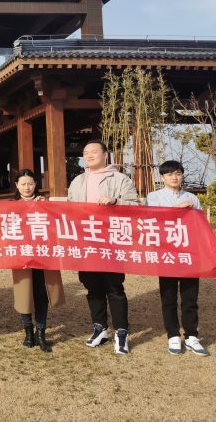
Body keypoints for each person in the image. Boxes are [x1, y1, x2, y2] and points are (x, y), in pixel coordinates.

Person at [68, 139, 138, 355]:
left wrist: (115, 201)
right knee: (92, 286)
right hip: (86, 241)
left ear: (105, 154)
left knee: (114, 287)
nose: (89, 155)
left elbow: (135, 206)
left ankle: (121, 331)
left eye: (94, 151)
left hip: (111, 241)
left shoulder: (120, 179)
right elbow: (68, 210)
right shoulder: (77, 181)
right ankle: (100, 328)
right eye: (85, 152)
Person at [146, 160, 209, 356]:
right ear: (162, 177)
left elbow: (201, 226)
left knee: (190, 297)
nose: (174, 177)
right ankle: (173, 334)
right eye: (169, 174)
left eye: (178, 173)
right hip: (166, 253)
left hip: (189, 253)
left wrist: (208, 252)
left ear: (182, 175)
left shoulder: (192, 198)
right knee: (168, 296)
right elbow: (153, 221)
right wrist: (177, 209)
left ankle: (191, 336)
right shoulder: (154, 197)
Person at [10, 169, 65, 352]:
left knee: (42, 294)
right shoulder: (10, 206)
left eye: (30, 183)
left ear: (36, 184)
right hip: (22, 256)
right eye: (23, 184)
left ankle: (41, 333)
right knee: (24, 294)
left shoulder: (44, 203)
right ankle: (28, 332)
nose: (27, 187)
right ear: (17, 185)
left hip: (43, 255)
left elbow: (57, 225)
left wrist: (46, 206)